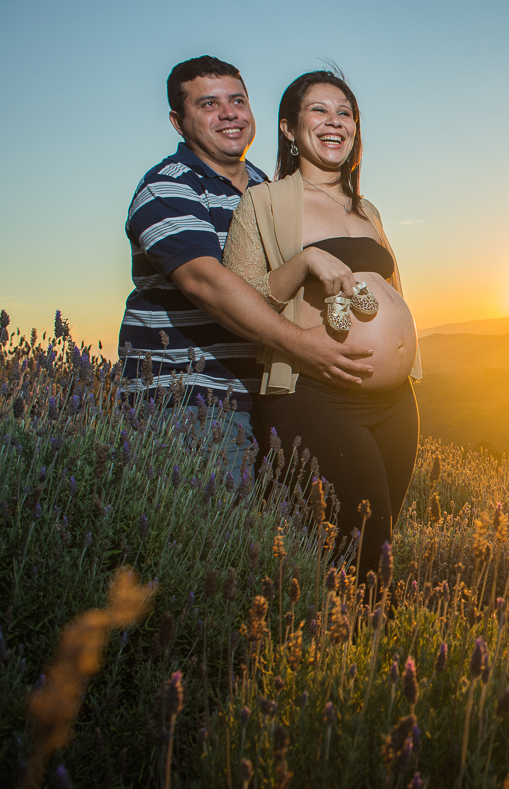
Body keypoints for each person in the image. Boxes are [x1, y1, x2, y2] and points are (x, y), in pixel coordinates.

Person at [120, 56, 377, 481]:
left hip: (269, 397)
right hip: (190, 400)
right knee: (210, 538)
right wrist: (302, 345)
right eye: (208, 104)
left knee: (278, 540)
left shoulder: (267, 190)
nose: (228, 114)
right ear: (177, 121)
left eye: (237, 100)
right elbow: (207, 284)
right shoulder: (168, 186)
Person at [223, 70, 422, 581]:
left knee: (378, 550)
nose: (335, 121)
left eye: (346, 112)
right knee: (359, 548)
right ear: (289, 129)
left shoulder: (366, 208)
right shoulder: (263, 203)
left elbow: (391, 290)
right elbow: (242, 301)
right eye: (319, 110)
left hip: (395, 403)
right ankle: (342, 652)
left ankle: (362, 649)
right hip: (318, 394)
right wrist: (306, 260)